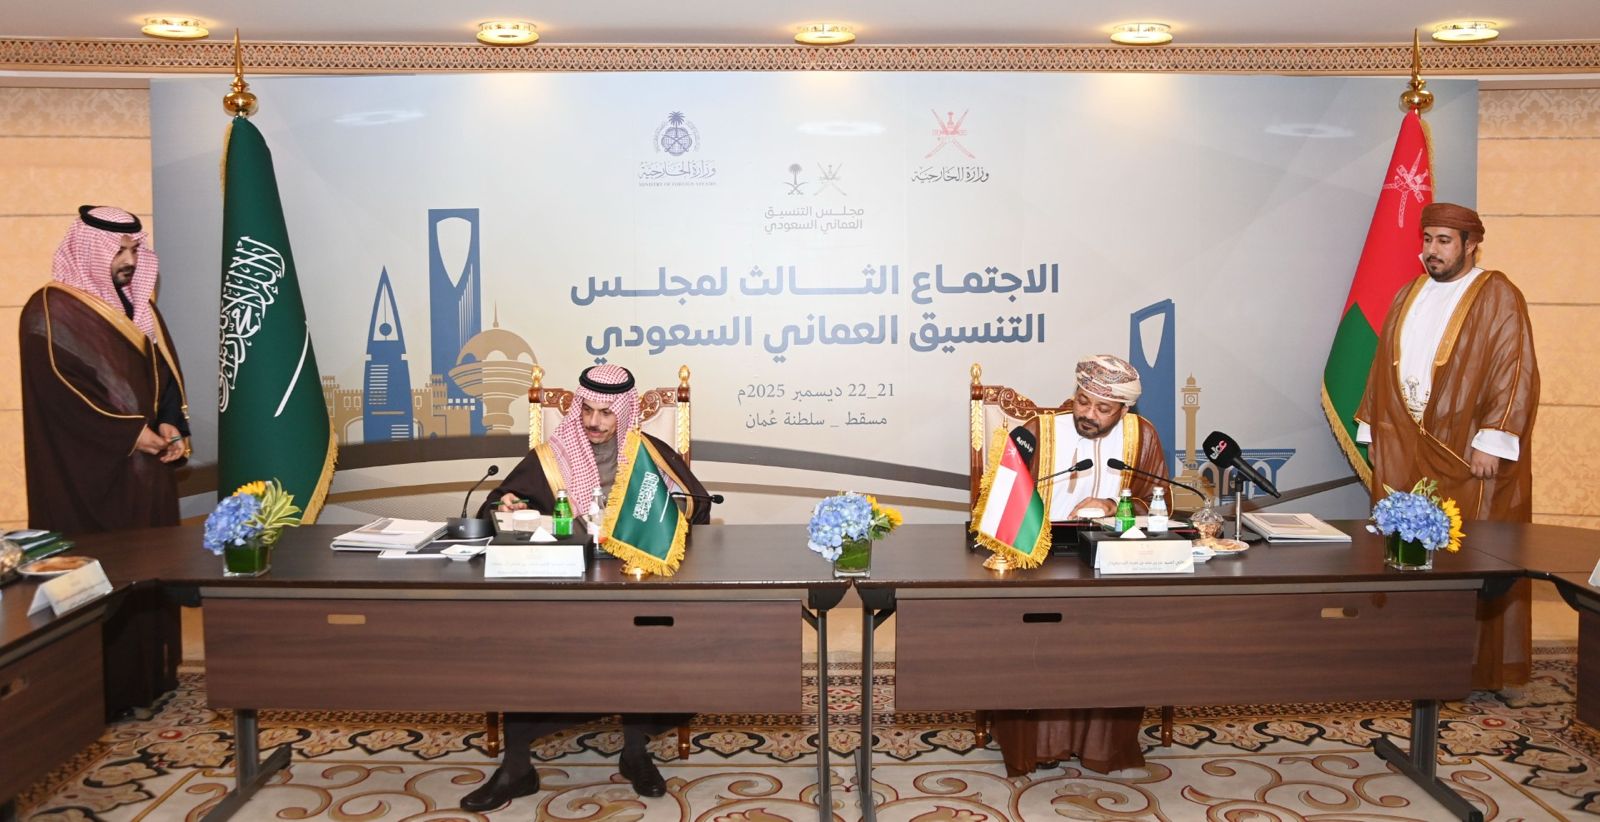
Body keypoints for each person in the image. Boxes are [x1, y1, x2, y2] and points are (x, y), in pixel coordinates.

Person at [464, 363, 711, 811]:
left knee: (651, 638)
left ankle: (635, 753)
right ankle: (516, 768)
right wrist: (508, 504)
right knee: (519, 642)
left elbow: (697, 504)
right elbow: (495, 505)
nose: (594, 422)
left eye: (606, 412)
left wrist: (666, 511)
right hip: (566, 581)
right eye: (587, 410)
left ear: (624, 412)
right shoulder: (552, 455)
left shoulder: (649, 454)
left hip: (632, 578)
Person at [1355, 201, 1540, 689]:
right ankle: (1405, 658)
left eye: (1443, 241)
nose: (1431, 251)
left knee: (1473, 553)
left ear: (1471, 244)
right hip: (1405, 443)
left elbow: (1514, 368)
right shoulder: (1409, 291)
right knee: (1400, 550)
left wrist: (1494, 438)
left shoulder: (1497, 293)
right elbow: (1382, 364)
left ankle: (1478, 669)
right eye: (1427, 240)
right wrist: (1375, 429)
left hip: (1466, 449)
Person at [18, 206, 190, 717]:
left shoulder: (139, 308)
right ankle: (101, 696)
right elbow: (62, 394)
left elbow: (164, 375)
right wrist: (130, 434)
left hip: (146, 475)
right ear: (88, 250)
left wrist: (170, 425)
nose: (129, 260)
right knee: (105, 578)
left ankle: (151, 682)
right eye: (118, 251)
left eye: (134, 249)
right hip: (87, 479)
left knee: (150, 573)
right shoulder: (49, 309)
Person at [992, 354, 1170, 776]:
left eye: (1103, 408)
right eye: (1082, 401)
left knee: (1118, 641)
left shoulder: (1142, 436)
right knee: (1040, 645)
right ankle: (1034, 748)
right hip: (1041, 561)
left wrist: (1113, 505)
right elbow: (1003, 499)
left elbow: (1158, 501)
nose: (1088, 414)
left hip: (1114, 560)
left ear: (1124, 409)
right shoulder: (1039, 430)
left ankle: (1103, 748)